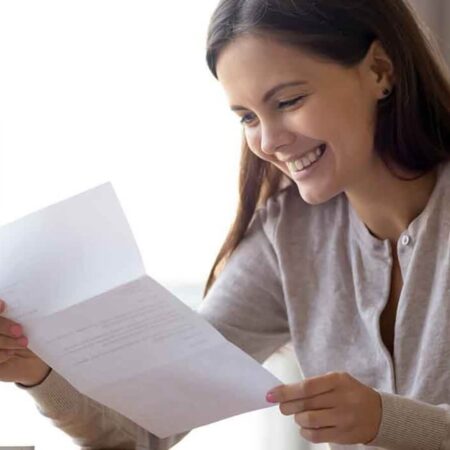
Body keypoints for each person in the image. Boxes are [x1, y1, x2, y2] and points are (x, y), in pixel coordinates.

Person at [1, 0, 450, 448]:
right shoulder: (286, 235)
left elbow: (391, 421)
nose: (269, 141)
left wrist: (386, 419)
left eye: (289, 100)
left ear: (378, 70)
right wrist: (37, 372)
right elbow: (149, 428)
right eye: (248, 118)